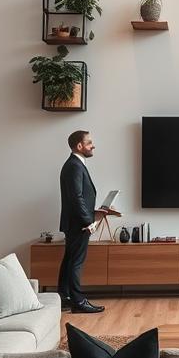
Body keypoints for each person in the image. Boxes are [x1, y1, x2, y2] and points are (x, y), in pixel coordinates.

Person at [58, 130, 107, 314]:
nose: (93, 146)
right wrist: (89, 221)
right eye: (89, 142)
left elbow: (78, 197)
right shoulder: (75, 166)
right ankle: (78, 302)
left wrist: (93, 213)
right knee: (75, 262)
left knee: (70, 260)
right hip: (79, 224)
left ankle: (65, 297)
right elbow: (76, 197)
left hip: (75, 222)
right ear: (79, 146)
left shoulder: (74, 164)